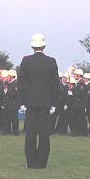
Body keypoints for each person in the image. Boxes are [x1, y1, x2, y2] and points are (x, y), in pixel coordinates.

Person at [18, 33, 59, 169]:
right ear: (44, 46)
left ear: (32, 47)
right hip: (45, 103)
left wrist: (22, 101)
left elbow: (20, 83)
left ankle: (31, 162)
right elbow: (55, 84)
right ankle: (41, 162)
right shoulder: (51, 61)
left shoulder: (26, 61)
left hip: (30, 102)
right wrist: (53, 103)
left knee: (30, 134)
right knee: (44, 134)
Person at [73, 69, 88, 136]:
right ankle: (78, 131)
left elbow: (81, 94)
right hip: (78, 103)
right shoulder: (78, 83)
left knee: (81, 118)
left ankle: (82, 132)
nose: (74, 75)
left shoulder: (81, 83)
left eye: (75, 74)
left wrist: (73, 92)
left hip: (80, 104)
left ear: (78, 75)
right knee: (78, 118)